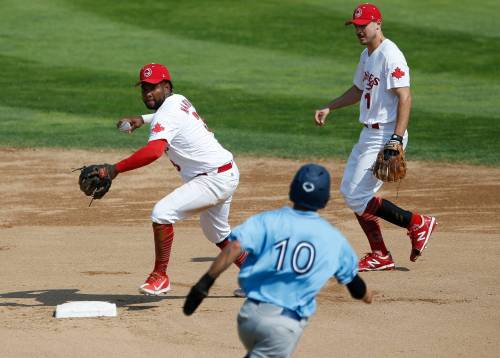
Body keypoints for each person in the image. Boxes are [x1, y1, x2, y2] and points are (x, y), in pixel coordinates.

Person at [86, 63, 247, 295]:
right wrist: (142, 119)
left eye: (153, 87)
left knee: (162, 213)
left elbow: (153, 152)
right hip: (224, 172)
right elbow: (164, 115)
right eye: (144, 88)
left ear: (166, 86)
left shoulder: (168, 111)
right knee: (217, 234)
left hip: (213, 180)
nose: (148, 93)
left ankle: (160, 276)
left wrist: (115, 169)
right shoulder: (178, 100)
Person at [183, 164, 373, 358]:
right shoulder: (333, 239)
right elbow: (355, 286)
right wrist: (367, 295)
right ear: (325, 198)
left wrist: (204, 283)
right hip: (282, 326)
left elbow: (234, 247)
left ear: (293, 189)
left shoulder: (268, 220)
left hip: (248, 317)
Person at [314, 3, 437, 271]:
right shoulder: (367, 55)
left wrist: (396, 139)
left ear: (377, 24)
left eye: (364, 25)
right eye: (356, 26)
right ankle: (381, 254)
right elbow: (359, 89)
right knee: (350, 192)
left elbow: (405, 97)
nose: (359, 30)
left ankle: (415, 223)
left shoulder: (391, 55)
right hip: (368, 134)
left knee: (358, 196)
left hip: (385, 134)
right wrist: (330, 107)